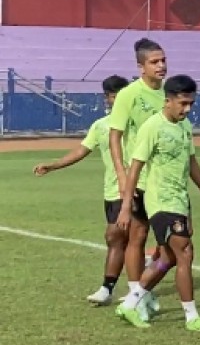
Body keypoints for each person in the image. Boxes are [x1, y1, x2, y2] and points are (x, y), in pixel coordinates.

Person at [114, 75, 200, 332]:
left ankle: (130, 304)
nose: (187, 109)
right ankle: (191, 316)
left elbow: (191, 163)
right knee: (185, 252)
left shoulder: (185, 126)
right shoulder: (152, 127)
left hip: (180, 200)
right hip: (161, 201)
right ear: (168, 100)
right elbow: (136, 168)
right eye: (183, 103)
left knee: (167, 258)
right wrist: (127, 206)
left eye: (191, 104)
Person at [34, 75, 130, 305]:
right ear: (107, 98)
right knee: (116, 238)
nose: (118, 100)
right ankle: (114, 288)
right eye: (114, 96)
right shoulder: (101, 126)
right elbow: (81, 150)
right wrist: (53, 165)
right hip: (113, 191)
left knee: (120, 236)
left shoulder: (139, 121)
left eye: (122, 95)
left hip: (141, 188)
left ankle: (132, 287)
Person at [108, 38, 167, 313]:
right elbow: (115, 136)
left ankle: (144, 289)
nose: (161, 66)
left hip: (165, 180)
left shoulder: (168, 94)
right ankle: (136, 296)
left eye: (163, 60)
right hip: (140, 179)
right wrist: (122, 176)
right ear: (141, 66)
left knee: (169, 241)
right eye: (155, 62)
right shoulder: (129, 94)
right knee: (138, 234)